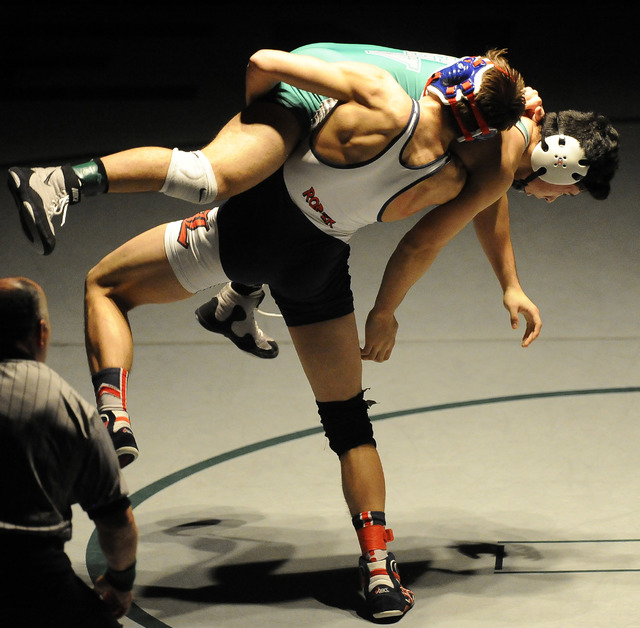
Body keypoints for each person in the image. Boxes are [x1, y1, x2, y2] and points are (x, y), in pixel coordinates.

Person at [79, 46, 529, 622]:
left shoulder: (383, 98)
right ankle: (379, 571)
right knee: (348, 422)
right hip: (316, 267)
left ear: (448, 84)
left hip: (246, 232)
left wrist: (261, 121)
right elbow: (432, 233)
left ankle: (114, 410)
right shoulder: (450, 177)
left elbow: (267, 63)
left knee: (108, 283)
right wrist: (385, 313)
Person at [7, 42, 533, 361]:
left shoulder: (491, 133)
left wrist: (509, 283)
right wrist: (257, 126)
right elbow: (264, 62)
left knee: (307, 213)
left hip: (350, 109)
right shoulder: (465, 135)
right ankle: (57, 181)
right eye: (568, 192)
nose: (557, 202)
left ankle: (238, 299)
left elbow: (490, 199)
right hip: (313, 84)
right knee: (210, 177)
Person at [0, 277, 138, 628]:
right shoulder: (68, 408)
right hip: (34, 573)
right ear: (41, 333)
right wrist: (120, 583)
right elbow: (117, 523)